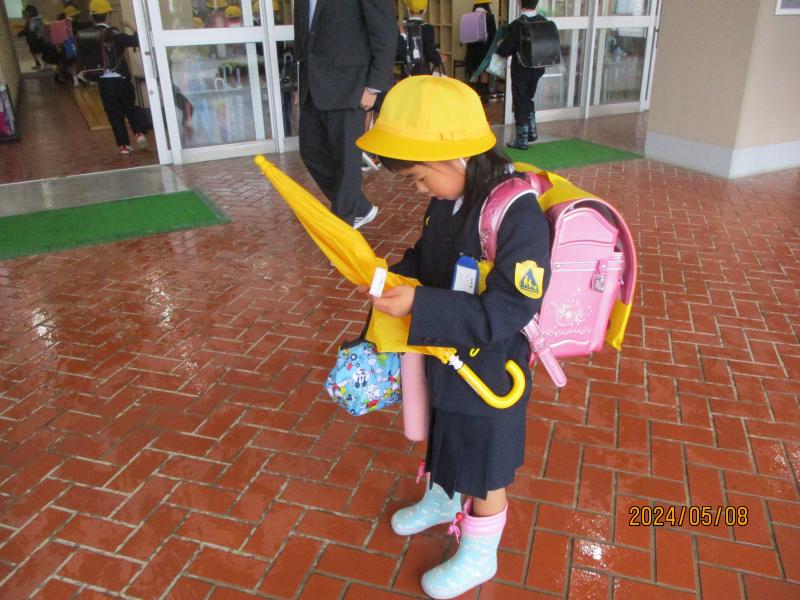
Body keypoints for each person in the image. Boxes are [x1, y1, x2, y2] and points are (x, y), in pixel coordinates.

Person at [356, 75, 550, 599]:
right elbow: (428, 257)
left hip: (492, 368)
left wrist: (421, 305)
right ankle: (442, 497)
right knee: (443, 427)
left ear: (455, 158)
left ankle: (482, 552)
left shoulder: (516, 214)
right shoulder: (450, 198)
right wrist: (393, 277)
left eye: (420, 178)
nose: (420, 190)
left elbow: (511, 307)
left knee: (485, 461)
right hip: (447, 350)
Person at [293, 0, 396, 230]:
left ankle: (344, 227)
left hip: (351, 85)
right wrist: (300, 83)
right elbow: (303, 36)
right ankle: (359, 207)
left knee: (346, 161)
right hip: (313, 86)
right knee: (310, 150)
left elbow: (385, 31)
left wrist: (374, 87)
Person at [77, 0, 148, 155]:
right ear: (108, 15)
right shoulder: (115, 34)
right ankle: (139, 133)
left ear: (92, 17)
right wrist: (130, 25)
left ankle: (124, 146)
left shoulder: (86, 35)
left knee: (114, 114)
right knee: (131, 107)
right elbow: (138, 40)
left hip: (103, 82)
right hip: (121, 79)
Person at [497, 0, 547, 149]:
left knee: (520, 100)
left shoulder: (517, 25)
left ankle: (522, 139)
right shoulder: (544, 22)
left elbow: (506, 49)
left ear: (520, 3)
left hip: (521, 69)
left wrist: (500, 46)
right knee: (528, 98)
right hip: (538, 68)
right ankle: (531, 131)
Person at [397, 0, 442, 77]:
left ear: (408, 8)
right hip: (422, 73)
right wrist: (438, 59)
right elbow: (430, 52)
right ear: (425, 10)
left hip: (405, 73)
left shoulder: (402, 27)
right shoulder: (427, 28)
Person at [464, 1, 496, 100]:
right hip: (485, 51)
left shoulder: (469, 17)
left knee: (473, 73)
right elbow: (493, 37)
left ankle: (472, 97)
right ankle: (484, 97)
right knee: (484, 73)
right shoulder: (489, 17)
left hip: (472, 51)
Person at [18, 5, 47, 71]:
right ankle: (38, 64)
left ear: (30, 12)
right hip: (32, 39)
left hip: (36, 39)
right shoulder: (31, 19)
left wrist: (24, 32)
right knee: (33, 52)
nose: (26, 13)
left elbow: (32, 29)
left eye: (27, 12)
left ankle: (45, 65)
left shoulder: (35, 19)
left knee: (39, 52)